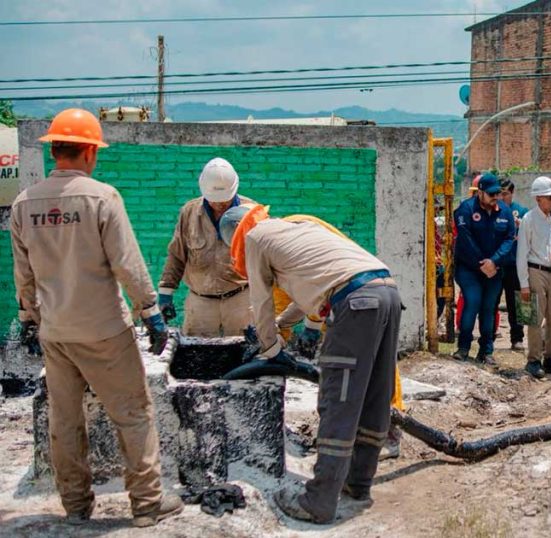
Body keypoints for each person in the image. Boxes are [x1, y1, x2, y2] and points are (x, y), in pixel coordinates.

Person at [10, 109, 181, 527]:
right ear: (89, 151)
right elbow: (127, 263)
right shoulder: (102, 198)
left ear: (55, 149)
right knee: (134, 414)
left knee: (64, 421)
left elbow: (24, 275)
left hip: (56, 333)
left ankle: (75, 507)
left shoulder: (24, 204)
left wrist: (31, 317)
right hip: (104, 330)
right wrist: (151, 312)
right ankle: (146, 504)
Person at [219, 205, 401, 524]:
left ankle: (319, 501)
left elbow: (259, 301)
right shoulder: (297, 227)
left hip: (356, 305)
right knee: (373, 396)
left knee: (338, 401)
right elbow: (308, 298)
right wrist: (280, 324)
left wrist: (270, 346)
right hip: (386, 293)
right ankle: (357, 484)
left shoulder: (256, 239)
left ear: (237, 240)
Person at [158, 158, 255, 336]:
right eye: (214, 200)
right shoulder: (189, 212)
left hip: (240, 300)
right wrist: (166, 292)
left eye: (224, 200)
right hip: (200, 302)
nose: (219, 204)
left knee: (243, 357)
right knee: (196, 357)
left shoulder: (251, 213)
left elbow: (264, 259)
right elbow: (176, 255)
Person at [452, 172, 516, 365]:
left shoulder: (504, 212)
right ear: (480, 192)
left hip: (494, 269)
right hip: (469, 268)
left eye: (497, 193)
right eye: (491, 194)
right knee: (473, 302)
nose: (495, 197)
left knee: (489, 308)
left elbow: (509, 239)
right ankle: (463, 348)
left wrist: (494, 262)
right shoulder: (466, 210)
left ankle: (486, 351)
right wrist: (483, 263)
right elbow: (466, 240)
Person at [516, 176, 551, 378]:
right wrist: (524, 284)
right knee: (534, 318)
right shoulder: (528, 220)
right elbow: (522, 252)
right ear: (538, 199)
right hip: (534, 271)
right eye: (549, 197)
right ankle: (533, 359)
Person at [497, 177, 528, 350]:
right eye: (499, 194)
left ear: (512, 193)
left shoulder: (521, 212)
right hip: (496, 265)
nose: (502, 198)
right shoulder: (491, 211)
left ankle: (518, 338)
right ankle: (488, 338)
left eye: (505, 194)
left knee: (517, 302)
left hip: (516, 265)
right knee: (491, 302)